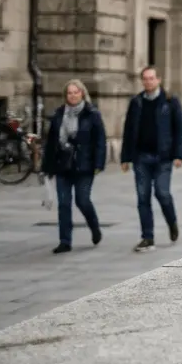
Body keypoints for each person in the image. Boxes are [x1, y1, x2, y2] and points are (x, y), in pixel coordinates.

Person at [120, 66, 182, 252]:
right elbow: (128, 130)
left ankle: (172, 221)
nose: (148, 82)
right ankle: (147, 237)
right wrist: (125, 157)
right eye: (145, 79)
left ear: (159, 80)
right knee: (143, 197)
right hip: (141, 157)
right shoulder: (137, 102)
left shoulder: (170, 101)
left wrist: (179, 155)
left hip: (163, 157)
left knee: (162, 193)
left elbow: (180, 129)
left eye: (151, 78)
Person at [41, 79, 107, 254]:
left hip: (84, 165)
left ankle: (94, 227)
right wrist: (46, 166)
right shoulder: (58, 114)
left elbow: (100, 140)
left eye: (76, 92)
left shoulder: (92, 114)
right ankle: (65, 241)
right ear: (65, 95)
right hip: (62, 165)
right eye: (69, 93)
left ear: (82, 93)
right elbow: (51, 142)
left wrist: (99, 163)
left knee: (82, 200)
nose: (72, 96)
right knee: (64, 203)